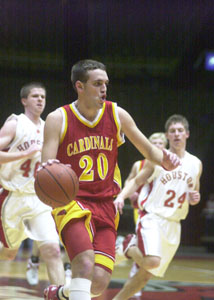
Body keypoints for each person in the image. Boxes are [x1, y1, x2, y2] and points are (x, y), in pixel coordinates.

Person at [40, 59, 180, 300]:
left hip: (106, 203)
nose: (104, 88)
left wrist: (165, 159)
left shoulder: (117, 114)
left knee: (98, 284)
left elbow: (147, 149)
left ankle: (61, 294)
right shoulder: (58, 118)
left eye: (105, 83)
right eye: (97, 83)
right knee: (83, 262)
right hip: (71, 201)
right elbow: (45, 168)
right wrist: (50, 176)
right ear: (79, 86)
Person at [113, 114, 202, 300]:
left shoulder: (196, 163)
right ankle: (128, 243)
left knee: (145, 275)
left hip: (174, 224)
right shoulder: (157, 159)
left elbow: (194, 195)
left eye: (180, 131)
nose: (176, 134)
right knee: (152, 262)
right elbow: (136, 181)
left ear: (187, 134)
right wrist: (121, 196)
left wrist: (195, 198)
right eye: (172, 131)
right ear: (167, 136)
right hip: (152, 217)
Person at [0, 82, 65, 286]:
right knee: (9, 254)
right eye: (35, 96)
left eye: (43, 97)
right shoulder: (15, 123)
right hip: (13, 197)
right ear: (24, 100)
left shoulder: (49, 128)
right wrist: (24, 153)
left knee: (53, 251)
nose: (40, 100)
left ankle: (60, 295)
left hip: (39, 199)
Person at [124, 132, 168, 224]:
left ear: (165, 146)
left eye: (160, 143)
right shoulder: (138, 165)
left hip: (162, 209)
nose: (157, 145)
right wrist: (131, 193)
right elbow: (129, 181)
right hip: (141, 208)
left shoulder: (169, 166)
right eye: (154, 143)